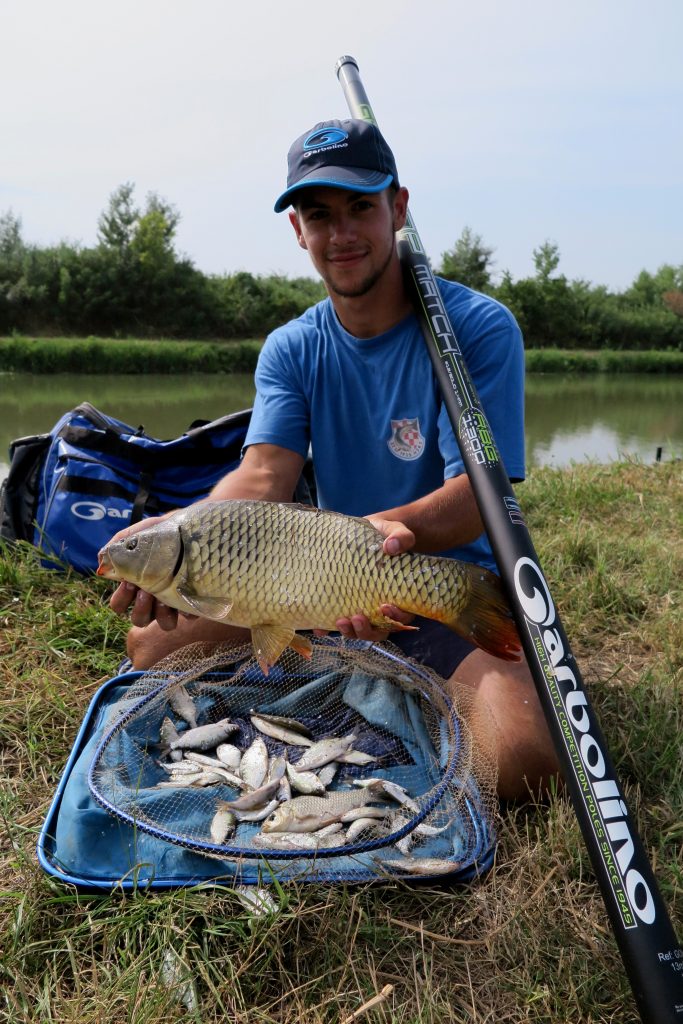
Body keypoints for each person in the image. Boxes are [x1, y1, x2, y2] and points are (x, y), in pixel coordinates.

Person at [108, 118, 559, 801]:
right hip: (317, 583)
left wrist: (382, 537)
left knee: (523, 762)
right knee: (149, 649)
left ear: (398, 208)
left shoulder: (477, 327)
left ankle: (432, 671)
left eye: (360, 208)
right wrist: (175, 536)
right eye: (319, 216)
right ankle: (349, 666)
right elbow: (263, 476)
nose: (340, 234)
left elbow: (480, 494)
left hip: (440, 580)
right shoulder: (292, 347)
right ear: (297, 230)